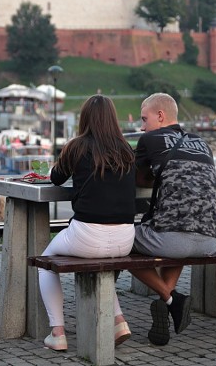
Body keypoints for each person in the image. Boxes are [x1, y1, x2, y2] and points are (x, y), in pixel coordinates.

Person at [37, 95, 137, 351]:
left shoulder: (76, 146)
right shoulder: (127, 150)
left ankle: (57, 332)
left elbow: (57, 179)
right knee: (97, 264)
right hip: (126, 237)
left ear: (84, 118)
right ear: (113, 118)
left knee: (45, 261)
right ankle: (119, 320)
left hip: (88, 233)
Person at [128, 93, 216, 346]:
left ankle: (171, 298)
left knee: (117, 243)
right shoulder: (202, 142)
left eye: (144, 118)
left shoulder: (149, 139)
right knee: (178, 225)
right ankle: (168, 304)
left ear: (160, 116)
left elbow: (138, 179)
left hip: (173, 240)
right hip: (210, 242)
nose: (142, 126)